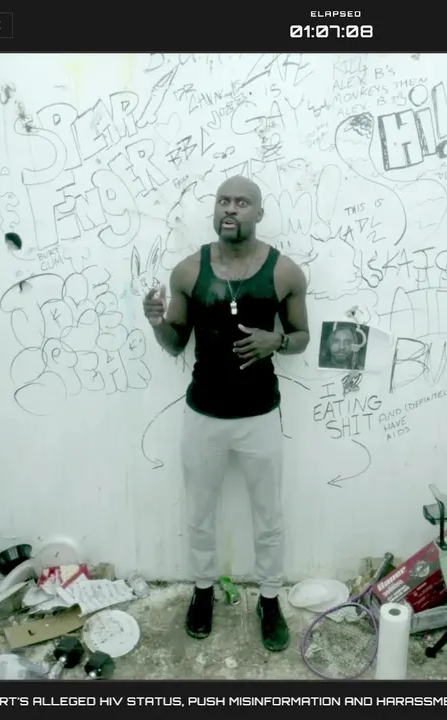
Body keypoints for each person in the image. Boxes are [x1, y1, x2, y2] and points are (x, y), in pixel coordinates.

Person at [142, 175, 310, 652]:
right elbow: (175, 343)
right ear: (214, 210)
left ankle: (270, 599)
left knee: (268, 514)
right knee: (199, 512)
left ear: (259, 213)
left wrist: (277, 340)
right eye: (223, 201)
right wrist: (156, 323)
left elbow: (302, 337)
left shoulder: (285, 273)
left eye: (241, 202)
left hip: (260, 415)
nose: (230, 208)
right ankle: (202, 591)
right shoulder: (188, 272)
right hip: (204, 415)